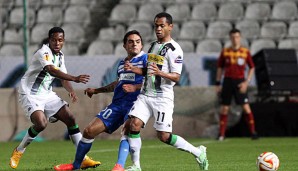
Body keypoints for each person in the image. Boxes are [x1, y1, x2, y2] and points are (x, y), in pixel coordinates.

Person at [123, 12, 209, 171]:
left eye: (162, 25)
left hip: (162, 97)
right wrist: (134, 69)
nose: (158, 29)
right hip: (145, 94)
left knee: (163, 136)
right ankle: (136, 166)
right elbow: (149, 70)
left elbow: (176, 77)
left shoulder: (175, 50)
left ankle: (198, 153)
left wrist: (160, 73)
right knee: (133, 125)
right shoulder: (153, 46)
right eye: (156, 25)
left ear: (170, 27)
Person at [53, 30, 147, 171]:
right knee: (89, 131)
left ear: (142, 45)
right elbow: (118, 83)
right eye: (131, 42)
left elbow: (154, 81)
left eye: (137, 42)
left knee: (128, 129)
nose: (134, 44)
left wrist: (135, 87)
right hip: (117, 104)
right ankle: (76, 165)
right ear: (124, 45)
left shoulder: (146, 59)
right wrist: (96, 90)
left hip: (135, 104)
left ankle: (119, 166)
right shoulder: (122, 64)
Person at [9, 27, 101, 169]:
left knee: (70, 118)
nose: (57, 43)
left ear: (63, 41)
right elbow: (52, 70)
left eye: (60, 40)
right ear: (49, 40)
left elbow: (62, 77)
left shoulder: (60, 56)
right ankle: (19, 151)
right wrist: (75, 78)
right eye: (54, 40)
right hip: (30, 93)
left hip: (46, 93)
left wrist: (71, 90)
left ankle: (82, 158)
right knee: (41, 124)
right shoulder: (43, 52)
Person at [215, 28, 258, 141]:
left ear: (240, 37)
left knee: (246, 107)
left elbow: (252, 67)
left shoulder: (245, 52)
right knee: (224, 108)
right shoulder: (225, 51)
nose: (235, 39)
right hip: (228, 81)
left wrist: (246, 82)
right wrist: (218, 83)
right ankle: (221, 134)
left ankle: (253, 132)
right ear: (230, 38)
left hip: (240, 82)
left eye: (237, 37)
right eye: (233, 37)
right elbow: (220, 68)